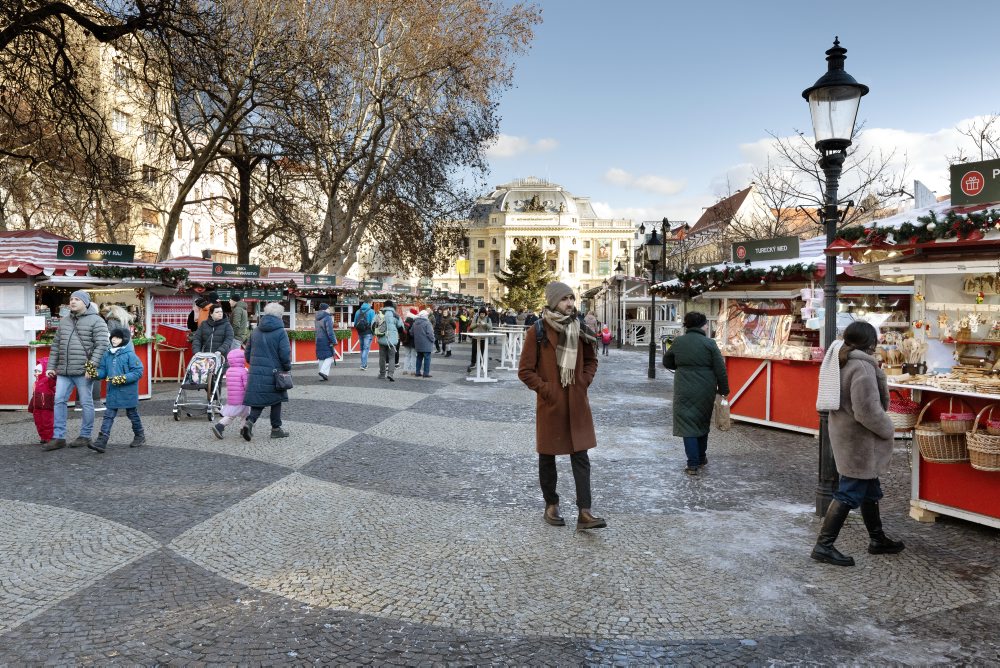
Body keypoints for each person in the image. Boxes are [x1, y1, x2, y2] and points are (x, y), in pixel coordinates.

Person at [811, 321, 904, 567]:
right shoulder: (861, 367)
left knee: (869, 489)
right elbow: (867, 411)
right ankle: (824, 545)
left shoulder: (840, 360)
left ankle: (877, 539)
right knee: (849, 490)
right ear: (869, 342)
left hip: (846, 434)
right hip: (859, 441)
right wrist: (888, 428)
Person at [517, 281, 606, 531]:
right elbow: (525, 371)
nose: (570, 303)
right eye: (565, 299)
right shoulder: (538, 330)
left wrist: (583, 382)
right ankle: (551, 504)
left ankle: (585, 512)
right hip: (551, 404)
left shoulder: (580, 329)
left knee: (581, 456)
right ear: (553, 301)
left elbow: (591, 361)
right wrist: (548, 390)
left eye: (572, 299)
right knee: (548, 456)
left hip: (577, 403)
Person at [663, 311, 729, 475]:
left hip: (683, 388)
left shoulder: (678, 342)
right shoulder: (709, 343)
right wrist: (724, 390)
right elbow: (720, 369)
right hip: (705, 388)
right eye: (706, 323)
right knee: (701, 422)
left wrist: (682, 367)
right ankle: (700, 457)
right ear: (702, 325)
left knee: (687, 425)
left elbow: (667, 361)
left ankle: (692, 464)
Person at [45, 290, 109, 450]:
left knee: (86, 403)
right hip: (64, 371)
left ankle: (85, 436)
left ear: (85, 302)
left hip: (83, 370)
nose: (72, 302)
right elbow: (56, 346)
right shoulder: (65, 321)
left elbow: (102, 345)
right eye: (71, 299)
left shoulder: (97, 321)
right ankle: (59, 437)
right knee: (59, 401)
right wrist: (51, 366)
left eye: (77, 299)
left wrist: (91, 366)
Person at [89, 327, 145, 453]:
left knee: (132, 414)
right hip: (113, 392)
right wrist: (95, 373)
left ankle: (139, 435)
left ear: (124, 339)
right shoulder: (107, 354)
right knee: (108, 416)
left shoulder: (130, 355)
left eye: (118, 338)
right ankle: (101, 442)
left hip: (128, 392)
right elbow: (103, 371)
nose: (114, 340)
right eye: (113, 337)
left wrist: (122, 379)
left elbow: (138, 372)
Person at [242, 302, 291, 440]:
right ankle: (275, 428)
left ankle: (250, 422)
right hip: (275, 372)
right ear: (280, 316)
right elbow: (285, 354)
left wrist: (256, 365)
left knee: (261, 399)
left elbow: (247, 353)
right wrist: (287, 367)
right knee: (277, 398)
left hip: (256, 372)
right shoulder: (281, 332)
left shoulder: (256, 331)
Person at [212, 348, 250, 439]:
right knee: (236, 415)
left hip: (232, 398)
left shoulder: (229, 371)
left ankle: (243, 430)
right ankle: (220, 426)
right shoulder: (243, 371)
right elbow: (246, 385)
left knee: (242, 413)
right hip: (242, 398)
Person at [29, 357, 55, 444]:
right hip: (37, 407)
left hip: (46, 406)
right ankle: (43, 437)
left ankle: (49, 438)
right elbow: (34, 395)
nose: (36, 373)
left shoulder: (48, 380)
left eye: (38, 371)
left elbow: (54, 381)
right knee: (39, 423)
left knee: (47, 422)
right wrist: (32, 406)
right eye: (35, 371)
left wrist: (52, 375)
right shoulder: (36, 382)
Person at [375, 299, 402, 382]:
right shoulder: (396, 315)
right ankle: (390, 374)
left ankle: (382, 374)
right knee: (392, 357)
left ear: (384, 306)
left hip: (382, 338)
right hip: (392, 340)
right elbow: (401, 327)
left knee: (382, 357)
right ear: (392, 306)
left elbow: (373, 324)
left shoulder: (379, 314)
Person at [410, 309, 436, 378]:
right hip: (426, 344)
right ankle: (426, 373)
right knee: (427, 359)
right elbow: (430, 334)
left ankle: (417, 372)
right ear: (425, 316)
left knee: (419, 358)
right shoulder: (427, 323)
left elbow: (411, 333)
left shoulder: (415, 323)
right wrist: (433, 340)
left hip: (418, 344)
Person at [467, 306, 492, 373]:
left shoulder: (488, 319)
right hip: (475, 337)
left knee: (483, 351)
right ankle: (473, 363)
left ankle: (482, 363)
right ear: (479, 313)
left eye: (483, 314)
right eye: (481, 314)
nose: (482, 315)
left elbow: (490, 328)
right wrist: (476, 324)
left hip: (483, 338)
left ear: (485, 314)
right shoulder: (476, 318)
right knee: (474, 350)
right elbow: (471, 326)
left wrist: (485, 324)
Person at [315, 302, 336, 381]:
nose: (329, 309)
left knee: (321, 358)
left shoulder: (316, 317)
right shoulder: (327, 317)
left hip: (318, 339)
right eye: (328, 308)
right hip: (326, 340)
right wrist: (334, 341)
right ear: (326, 309)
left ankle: (322, 376)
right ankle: (323, 372)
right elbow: (330, 331)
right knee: (330, 357)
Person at [354, 302, 376, 370]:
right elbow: (373, 323)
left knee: (362, 348)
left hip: (360, 332)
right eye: (371, 303)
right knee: (366, 349)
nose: (372, 304)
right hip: (368, 332)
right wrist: (374, 332)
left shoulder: (358, 311)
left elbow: (355, 323)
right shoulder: (372, 311)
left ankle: (363, 364)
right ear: (369, 303)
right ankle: (363, 365)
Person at [400, 308, 418, 375]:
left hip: (406, 341)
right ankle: (413, 370)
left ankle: (405, 369)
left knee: (407, 355)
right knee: (413, 356)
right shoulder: (414, 321)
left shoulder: (406, 320)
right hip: (413, 341)